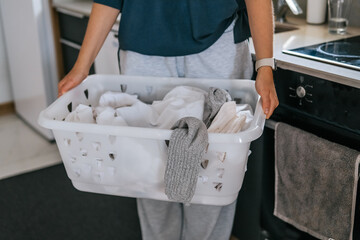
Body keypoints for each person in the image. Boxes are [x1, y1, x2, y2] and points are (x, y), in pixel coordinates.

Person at [58, 1, 279, 239]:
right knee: (146, 167)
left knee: (214, 169)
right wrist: (82, 66)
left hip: (217, 46)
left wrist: (265, 63)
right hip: (145, 49)